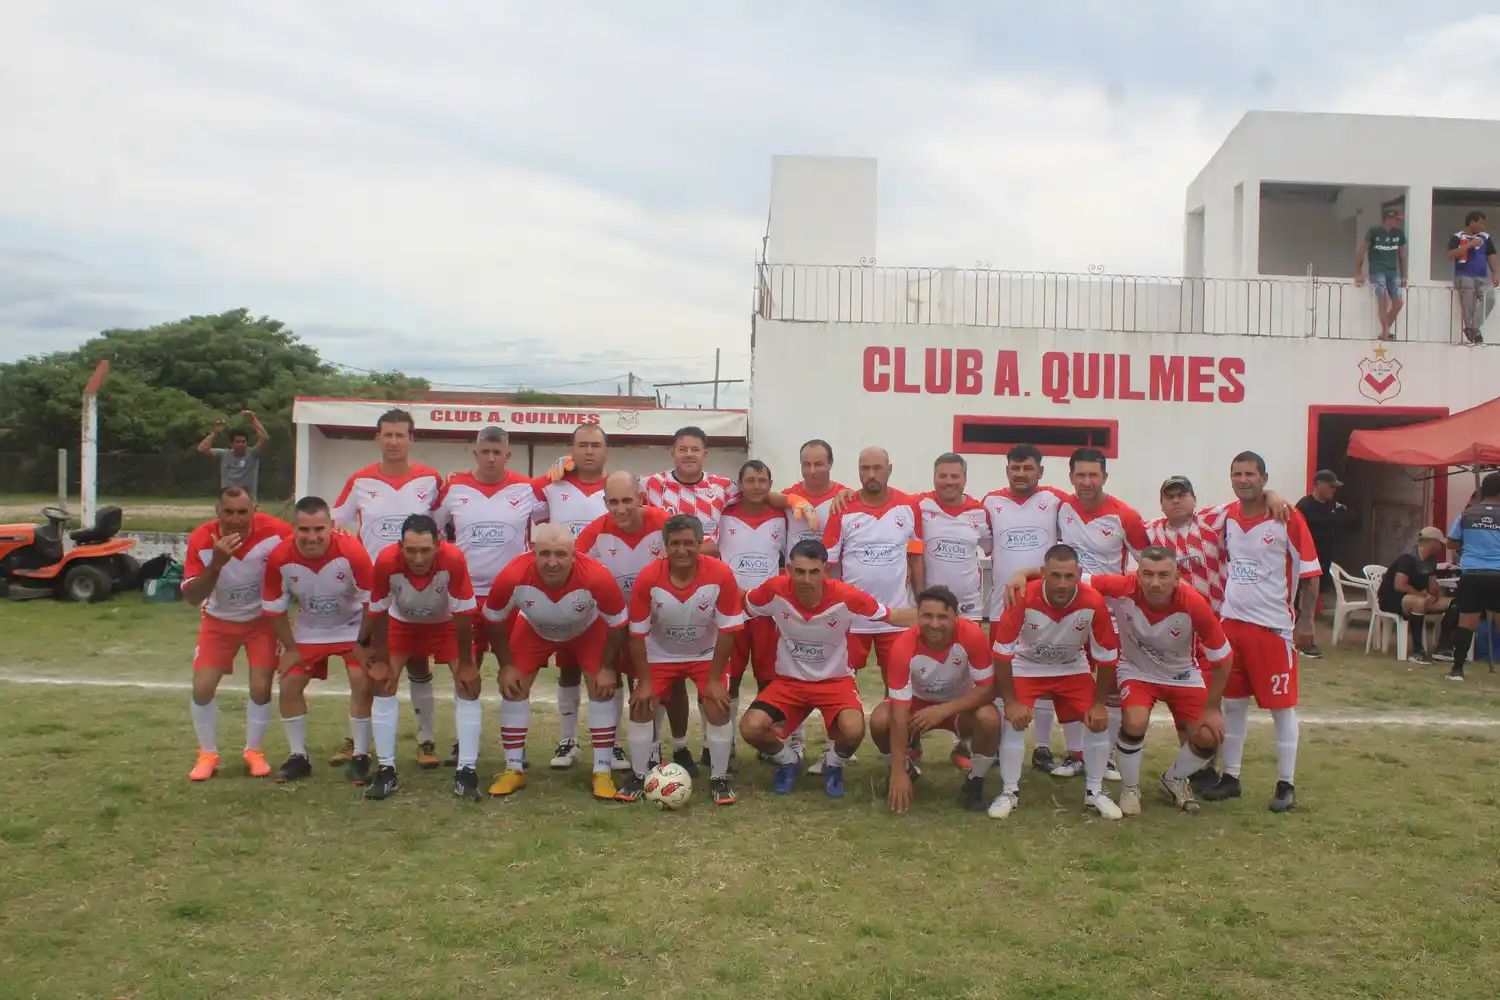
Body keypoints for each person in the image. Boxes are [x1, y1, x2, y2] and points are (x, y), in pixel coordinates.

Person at [738, 540, 917, 798]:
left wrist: (949, 621)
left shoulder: (847, 596)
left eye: (814, 572)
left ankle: (833, 766)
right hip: (789, 682)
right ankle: (787, 761)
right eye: (799, 571)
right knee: (750, 727)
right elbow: (740, 601)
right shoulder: (774, 590)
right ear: (788, 569)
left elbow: (894, 616)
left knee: (854, 729)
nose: (806, 579)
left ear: (826, 570)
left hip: (835, 682)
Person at [1200, 452, 1320, 813]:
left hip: (1272, 628)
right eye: (1237, 473)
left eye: (1250, 474)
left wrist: (1307, 621)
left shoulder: (1287, 516)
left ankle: (1286, 784)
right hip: (1232, 625)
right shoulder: (1227, 516)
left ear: (1264, 477)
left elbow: (1311, 574)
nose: (1243, 479)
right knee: (1233, 705)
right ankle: (1231, 778)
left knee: (1281, 709)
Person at [481, 523, 628, 801]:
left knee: (602, 687)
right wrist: (506, 665)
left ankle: (602, 770)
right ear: (532, 551)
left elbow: (619, 622)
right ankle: (513, 769)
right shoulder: (513, 574)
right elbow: (492, 618)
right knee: (514, 687)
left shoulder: (596, 576)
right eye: (544, 554)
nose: (552, 562)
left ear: (575, 555)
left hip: (586, 630)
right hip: (535, 629)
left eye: (560, 555)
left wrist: (608, 667)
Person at [330, 408, 443, 769]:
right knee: (369, 666)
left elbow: (444, 531)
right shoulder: (360, 481)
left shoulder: (431, 480)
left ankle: (426, 741)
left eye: (401, 435)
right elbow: (333, 524)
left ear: (412, 439)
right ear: (377, 438)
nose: (394, 441)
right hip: (374, 593)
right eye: (387, 435)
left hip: (419, 587)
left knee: (419, 663)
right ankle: (358, 739)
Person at [1088, 548, 1233, 816]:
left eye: (1164, 575)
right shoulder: (1122, 587)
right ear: (1138, 574)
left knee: (1210, 737)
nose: (1155, 582)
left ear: (1177, 575)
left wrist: (1212, 709)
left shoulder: (1193, 603)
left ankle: (1174, 779)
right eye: (1148, 574)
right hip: (1136, 671)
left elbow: (1224, 659)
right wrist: (1024, 575)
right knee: (1134, 721)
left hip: (1182, 676)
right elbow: (1071, 578)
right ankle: (1131, 788)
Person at [434, 425, 548, 766]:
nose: (491, 458)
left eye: (498, 452)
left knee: (515, 671)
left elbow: (552, 516)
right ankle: (462, 741)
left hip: (512, 596)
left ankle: (516, 747)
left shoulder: (526, 489)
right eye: (486, 451)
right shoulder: (454, 488)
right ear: (476, 453)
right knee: (465, 670)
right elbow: (435, 528)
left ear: (507, 455)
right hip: (466, 597)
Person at [987, 544, 1123, 821]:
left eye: (1069, 576)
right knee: (1013, 721)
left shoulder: (1093, 601)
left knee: (1098, 722)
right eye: (1055, 576)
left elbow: (1107, 657)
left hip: (1072, 667)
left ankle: (1094, 792)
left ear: (1079, 575)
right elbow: (1001, 653)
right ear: (1043, 574)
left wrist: (1098, 704)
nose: (1062, 584)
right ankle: (1009, 791)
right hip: (1027, 666)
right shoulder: (1023, 597)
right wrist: (1011, 702)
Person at [621, 515, 745, 806]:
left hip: (705, 653)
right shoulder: (649, 577)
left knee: (717, 705)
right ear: (665, 546)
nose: (681, 550)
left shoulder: (721, 574)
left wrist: (714, 681)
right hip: (659, 653)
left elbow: (728, 631)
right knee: (641, 705)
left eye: (688, 543)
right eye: (674, 543)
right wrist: (645, 683)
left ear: (700, 544)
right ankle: (640, 775)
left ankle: (719, 777)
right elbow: (636, 634)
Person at [362, 515, 480, 801]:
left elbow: (464, 615)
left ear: (438, 546)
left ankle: (467, 771)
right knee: (383, 683)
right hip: (402, 624)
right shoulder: (386, 562)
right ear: (400, 546)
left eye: (425, 550)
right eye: (410, 550)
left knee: (469, 686)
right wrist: (378, 656)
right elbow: (377, 610)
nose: (417, 557)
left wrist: (466, 664)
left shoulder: (454, 560)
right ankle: (386, 770)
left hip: (446, 625)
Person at [261, 496, 375, 783]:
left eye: (318, 529)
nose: (312, 537)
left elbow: (372, 603)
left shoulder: (352, 552)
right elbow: (274, 608)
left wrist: (363, 644)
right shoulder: (280, 557)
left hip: (352, 627)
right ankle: (298, 756)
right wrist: (289, 648)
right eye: (304, 530)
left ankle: (361, 755)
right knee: (288, 684)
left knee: (362, 680)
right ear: (294, 527)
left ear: (331, 526)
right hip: (310, 628)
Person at [180, 486, 292, 780]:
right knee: (202, 688)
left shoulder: (277, 531)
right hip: (218, 621)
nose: (236, 518)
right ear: (218, 512)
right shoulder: (201, 539)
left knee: (260, 685)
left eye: (243, 511)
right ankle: (207, 754)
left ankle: (253, 751)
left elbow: (305, 550)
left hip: (261, 621)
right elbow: (193, 596)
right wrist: (216, 564)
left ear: (254, 509)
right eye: (228, 512)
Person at [1057, 447, 1149, 782]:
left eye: (1093, 475)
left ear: (1105, 477)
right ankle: (1076, 753)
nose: (1086, 481)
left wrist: (1108, 584)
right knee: (1070, 681)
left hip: (1110, 616)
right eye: (1080, 475)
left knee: (1108, 688)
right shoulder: (1060, 506)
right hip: (1068, 613)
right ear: (1071, 478)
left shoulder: (1126, 516)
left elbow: (1147, 567)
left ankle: (1106, 755)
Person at [981, 443, 1074, 777]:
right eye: (1015, 468)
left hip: (1045, 605)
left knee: (1046, 670)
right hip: (1002, 604)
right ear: (1007, 470)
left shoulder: (1056, 501)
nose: (1021, 474)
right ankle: (994, 745)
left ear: (1040, 471)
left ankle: (1043, 747)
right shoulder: (990, 502)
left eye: (1028, 468)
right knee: (1001, 672)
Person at [877, 586, 1001, 814]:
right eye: (927, 616)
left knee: (989, 718)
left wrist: (943, 710)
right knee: (879, 719)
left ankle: (975, 781)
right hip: (917, 707)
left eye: (942, 617)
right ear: (917, 616)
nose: (934, 624)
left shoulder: (971, 634)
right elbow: (898, 710)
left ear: (956, 617)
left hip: (959, 706)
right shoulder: (903, 646)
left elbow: (987, 689)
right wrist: (896, 769)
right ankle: (906, 769)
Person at [539, 424, 621, 773]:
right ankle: (568, 739)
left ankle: (613, 742)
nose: (589, 451)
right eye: (582, 445)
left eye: (596, 445)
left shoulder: (619, 488)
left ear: (607, 450)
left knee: (610, 668)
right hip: (564, 591)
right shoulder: (552, 487)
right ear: (571, 449)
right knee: (568, 666)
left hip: (607, 590)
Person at [576, 472, 669, 773]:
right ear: (604, 502)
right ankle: (612, 744)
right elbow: (572, 566)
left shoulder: (663, 522)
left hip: (653, 621)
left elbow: (701, 547)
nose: (620, 509)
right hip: (612, 620)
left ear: (640, 498)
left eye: (627, 500)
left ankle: (652, 748)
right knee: (609, 679)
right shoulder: (595, 531)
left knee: (647, 684)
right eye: (613, 502)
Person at [821, 446, 924, 687]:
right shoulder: (842, 508)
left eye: (877, 468)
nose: (871, 474)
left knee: (898, 686)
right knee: (840, 684)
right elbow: (825, 565)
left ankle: (896, 726)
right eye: (865, 469)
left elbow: (917, 556)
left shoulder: (909, 506)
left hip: (897, 616)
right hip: (853, 618)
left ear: (889, 469)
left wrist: (921, 603)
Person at [914, 453, 990, 770]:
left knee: (967, 679)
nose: (948, 482)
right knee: (916, 670)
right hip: (928, 611)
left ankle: (964, 744)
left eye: (954, 476)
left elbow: (993, 548)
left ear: (964, 479)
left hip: (968, 609)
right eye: (943, 476)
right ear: (934, 478)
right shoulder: (918, 506)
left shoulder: (980, 513)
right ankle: (910, 738)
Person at [716, 460, 787, 766]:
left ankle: (766, 738)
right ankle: (724, 741)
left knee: (767, 679)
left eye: (762, 480)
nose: (756, 485)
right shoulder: (723, 515)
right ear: (740, 484)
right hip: (731, 611)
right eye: (750, 480)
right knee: (728, 679)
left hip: (766, 614)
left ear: (770, 484)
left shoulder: (782, 517)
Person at [1445, 472, 1500, 682]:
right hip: (1498, 573)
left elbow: (1450, 542)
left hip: (1472, 574)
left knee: (1466, 622)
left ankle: (1457, 670)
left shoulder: (1467, 514)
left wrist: (1470, 546)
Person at [1292, 468, 1350, 659]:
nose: (1334, 490)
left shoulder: (1334, 507)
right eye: (1331, 486)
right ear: (1319, 485)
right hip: (1303, 564)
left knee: (1311, 603)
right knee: (1301, 603)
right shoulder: (1304, 507)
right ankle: (1302, 642)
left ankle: (1301, 639)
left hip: (1322, 563)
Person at [1375, 526, 1452, 665]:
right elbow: (1399, 585)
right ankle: (1417, 652)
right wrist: (1420, 595)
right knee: (1418, 603)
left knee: (1454, 603)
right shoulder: (1408, 558)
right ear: (1432, 542)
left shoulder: (1431, 559)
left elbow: (1432, 583)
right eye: (1440, 543)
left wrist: (1434, 594)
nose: (1442, 546)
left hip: (1418, 597)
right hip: (1393, 598)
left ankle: (1443, 647)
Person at [1354, 207, 1408, 341]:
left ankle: (1385, 330)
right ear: (1388, 219)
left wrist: (1404, 275)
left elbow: (1402, 256)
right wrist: (1358, 273)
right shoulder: (1374, 231)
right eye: (1396, 219)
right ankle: (1385, 333)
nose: (1397, 222)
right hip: (1377, 270)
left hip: (1393, 271)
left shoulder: (1399, 234)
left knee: (1398, 303)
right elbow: (1362, 251)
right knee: (1382, 298)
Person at [1447, 210, 1498, 345]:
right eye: (1481, 223)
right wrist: (1469, 245)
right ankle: (1474, 333)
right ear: (1472, 222)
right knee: (1468, 305)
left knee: (1490, 298)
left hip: (1483, 276)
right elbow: (1450, 256)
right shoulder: (1457, 237)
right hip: (1464, 275)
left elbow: (1491, 255)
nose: (1483, 226)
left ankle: (1472, 328)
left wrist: (1495, 272)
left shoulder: (1485, 238)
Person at [196, 411, 269, 500]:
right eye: (237, 442)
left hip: (247, 499)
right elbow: (202, 449)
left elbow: (264, 439)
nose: (241, 444)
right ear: (231, 444)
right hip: (227, 498)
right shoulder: (224, 454)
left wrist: (253, 419)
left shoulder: (253, 454)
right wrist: (214, 433)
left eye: (243, 441)